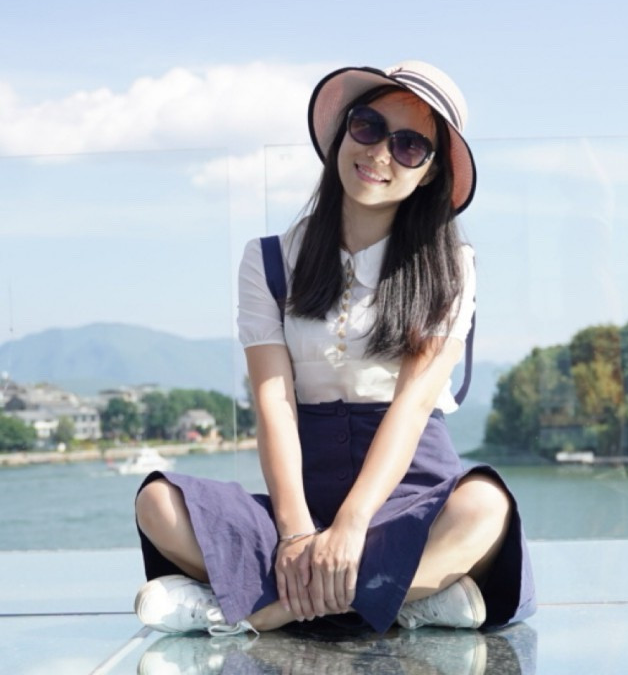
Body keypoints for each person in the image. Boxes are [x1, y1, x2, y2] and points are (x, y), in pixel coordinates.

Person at [133, 60, 536, 639]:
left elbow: (412, 408)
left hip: (408, 488)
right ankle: (405, 597)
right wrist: (296, 530)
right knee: (157, 503)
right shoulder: (268, 261)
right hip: (301, 491)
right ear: (344, 130)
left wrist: (351, 526)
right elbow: (274, 405)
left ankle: (261, 611)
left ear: (429, 173)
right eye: (368, 126)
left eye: (409, 146)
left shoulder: (452, 266)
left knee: (484, 508)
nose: (380, 154)